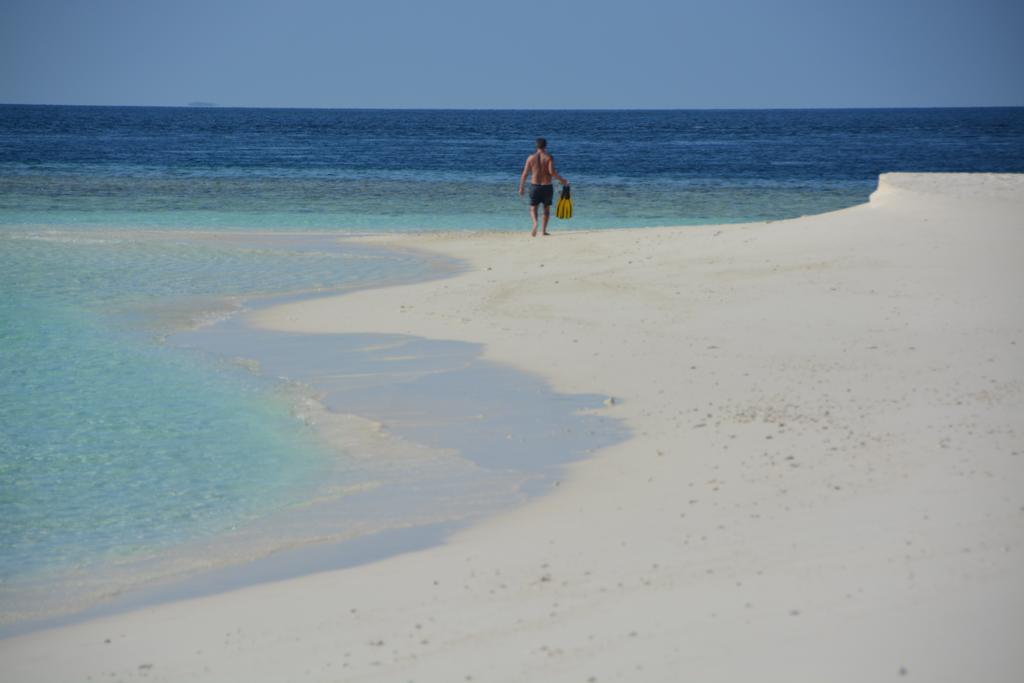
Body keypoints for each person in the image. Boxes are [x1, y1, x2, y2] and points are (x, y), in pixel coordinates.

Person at [517, 137, 569, 237]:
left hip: (534, 186)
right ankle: (544, 231)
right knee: (546, 209)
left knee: (533, 208)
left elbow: (524, 174)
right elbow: (552, 172)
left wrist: (521, 187)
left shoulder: (530, 158)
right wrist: (563, 180)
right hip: (547, 186)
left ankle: (535, 223)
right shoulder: (549, 157)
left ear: (536, 146)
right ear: (545, 146)